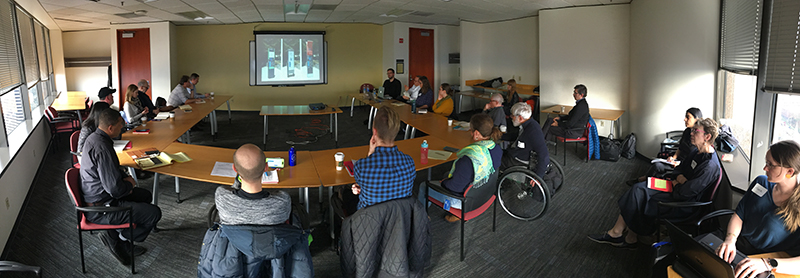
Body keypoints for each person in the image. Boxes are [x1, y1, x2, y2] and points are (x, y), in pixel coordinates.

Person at [588, 118, 720, 248]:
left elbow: (686, 192)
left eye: (696, 131)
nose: (691, 133)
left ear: (707, 137)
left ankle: (620, 234)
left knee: (639, 192)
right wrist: (680, 179)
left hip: (684, 204)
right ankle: (627, 235)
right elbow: (679, 170)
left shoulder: (709, 166)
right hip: (676, 189)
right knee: (639, 189)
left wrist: (679, 182)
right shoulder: (696, 152)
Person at [80, 108, 162, 265]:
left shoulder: (96, 137)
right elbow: (115, 189)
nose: (123, 127)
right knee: (154, 214)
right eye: (120, 125)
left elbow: (113, 170)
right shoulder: (102, 147)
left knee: (144, 195)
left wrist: (126, 178)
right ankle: (119, 238)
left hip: (102, 196)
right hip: (102, 207)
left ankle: (118, 232)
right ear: (110, 128)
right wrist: (129, 184)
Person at [716, 141, 800, 278]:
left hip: (763, 259)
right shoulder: (761, 182)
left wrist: (768, 263)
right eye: (766, 162)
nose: (765, 168)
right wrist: (730, 239)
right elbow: (739, 214)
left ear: (790, 171)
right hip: (737, 243)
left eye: (771, 165)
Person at [418, 113, 503, 222]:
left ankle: (421, 217)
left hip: (467, 201)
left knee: (424, 186)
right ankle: (455, 214)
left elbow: (454, 187)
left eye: (471, 130)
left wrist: (443, 182)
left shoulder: (468, 159)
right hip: (485, 193)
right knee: (449, 174)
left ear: (476, 133)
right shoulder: (496, 148)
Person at [345, 106, 416, 212]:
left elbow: (363, 183)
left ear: (374, 132)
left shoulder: (362, 166)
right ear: (396, 131)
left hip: (369, 221)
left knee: (345, 195)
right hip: (399, 220)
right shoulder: (409, 163)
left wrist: (370, 154)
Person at [215, 143, 291, 226]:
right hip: (270, 238)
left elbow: (233, 189)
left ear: (234, 169)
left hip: (233, 238)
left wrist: (238, 181)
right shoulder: (282, 200)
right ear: (266, 167)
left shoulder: (221, 195)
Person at [627, 108, 702, 185]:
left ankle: (644, 181)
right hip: (677, 161)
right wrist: (674, 157)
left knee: (657, 165)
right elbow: (680, 148)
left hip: (684, 166)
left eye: (688, 117)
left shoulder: (698, 139)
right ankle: (646, 180)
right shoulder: (687, 132)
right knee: (658, 161)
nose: (684, 119)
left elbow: (692, 161)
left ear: (697, 119)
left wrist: (679, 163)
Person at [501, 103, 549, 178]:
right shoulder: (528, 124)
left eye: (512, 116)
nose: (511, 118)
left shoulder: (533, 131)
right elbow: (516, 136)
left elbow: (543, 154)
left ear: (520, 118)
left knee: (495, 157)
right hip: (517, 154)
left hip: (519, 161)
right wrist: (500, 136)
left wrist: (539, 176)